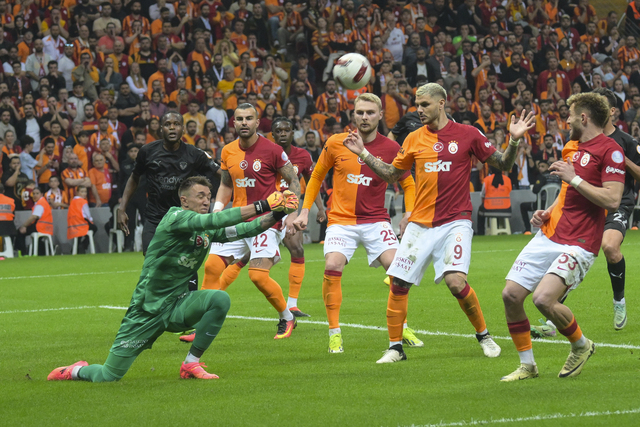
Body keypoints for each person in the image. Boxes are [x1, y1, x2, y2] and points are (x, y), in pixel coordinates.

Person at [341, 83, 536, 363]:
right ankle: (395, 348)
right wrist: (363, 153)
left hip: (455, 221)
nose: (419, 110)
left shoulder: (468, 134)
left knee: (455, 282)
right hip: (420, 224)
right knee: (398, 283)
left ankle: (484, 336)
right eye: (417, 105)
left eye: (425, 105)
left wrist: (514, 140)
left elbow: (503, 164)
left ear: (442, 103)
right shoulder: (413, 139)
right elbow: (392, 175)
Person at [48, 176, 299, 382]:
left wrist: (278, 213)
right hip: (147, 309)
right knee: (108, 376)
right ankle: (75, 370)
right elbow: (216, 219)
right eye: (200, 196)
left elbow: (245, 229)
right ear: (184, 200)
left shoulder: (204, 229)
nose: (206, 200)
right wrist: (263, 205)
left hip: (178, 304)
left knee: (219, 299)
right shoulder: (175, 217)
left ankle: (191, 363)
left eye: (208, 196)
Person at [500, 92, 626, 381]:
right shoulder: (571, 147)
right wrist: (548, 211)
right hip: (550, 234)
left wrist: (575, 178)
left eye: (569, 116)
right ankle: (527, 365)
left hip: (580, 242)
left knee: (544, 300)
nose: (566, 121)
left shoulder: (611, 151)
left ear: (584, 117)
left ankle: (581, 345)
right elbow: (568, 192)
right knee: (511, 295)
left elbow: (612, 199)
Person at [293, 93, 422, 353]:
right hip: (341, 221)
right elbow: (316, 176)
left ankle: (402, 326)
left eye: (370, 113)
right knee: (332, 265)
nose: (365, 117)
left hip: (376, 221)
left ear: (380, 115)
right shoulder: (336, 142)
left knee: (398, 270)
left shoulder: (391, 148)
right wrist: (304, 211)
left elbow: (408, 183)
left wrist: (408, 214)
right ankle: (334, 333)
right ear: (353, 114)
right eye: (360, 112)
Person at [202, 104, 301, 339]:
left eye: (248, 118)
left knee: (257, 276)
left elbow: (294, 180)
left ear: (257, 122)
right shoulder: (228, 151)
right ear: (233, 123)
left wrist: (292, 214)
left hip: (266, 221)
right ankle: (201, 325)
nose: (244, 122)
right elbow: (226, 184)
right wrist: (217, 211)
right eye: (239, 119)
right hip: (237, 219)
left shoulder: (273, 150)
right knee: (211, 267)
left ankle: (287, 317)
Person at [117, 111, 220, 292]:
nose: (172, 128)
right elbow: (134, 178)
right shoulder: (147, 152)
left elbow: (221, 174)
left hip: (183, 220)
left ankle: (189, 300)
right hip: (155, 218)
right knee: (152, 261)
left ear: (182, 128)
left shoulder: (194, 153)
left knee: (186, 261)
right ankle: (157, 301)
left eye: (176, 124)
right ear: (161, 129)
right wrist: (122, 208)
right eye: (167, 124)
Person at [477, 167, 512, 236]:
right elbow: (509, 190)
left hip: (489, 209)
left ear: (491, 170)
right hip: (506, 209)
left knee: (480, 211)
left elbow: (482, 194)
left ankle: (481, 232)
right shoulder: (507, 179)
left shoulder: (487, 180)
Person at [67, 185, 98, 252]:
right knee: (94, 228)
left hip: (73, 224)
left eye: (85, 192)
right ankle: (84, 245)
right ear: (77, 192)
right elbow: (87, 214)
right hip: (82, 222)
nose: (84, 194)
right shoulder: (83, 201)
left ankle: (75, 249)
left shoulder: (72, 201)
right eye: (82, 192)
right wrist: (91, 220)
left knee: (79, 236)